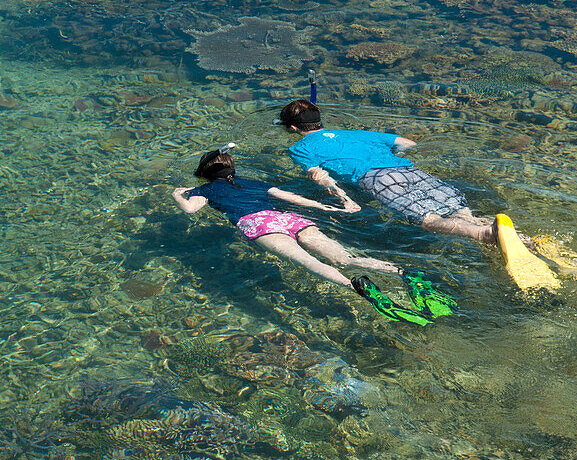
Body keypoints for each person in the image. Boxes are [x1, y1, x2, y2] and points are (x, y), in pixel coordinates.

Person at [172, 145, 455, 323]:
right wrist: (333, 206)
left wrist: (178, 196)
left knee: (311, 264)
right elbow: (293, 198)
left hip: (259, 225)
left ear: (205, 174)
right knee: (344, 257)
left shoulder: (204, 190)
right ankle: (402, 272)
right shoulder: (254, 183)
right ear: (233, 168)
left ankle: (357, 288)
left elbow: (190, 211)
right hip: (287, 218)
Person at [278, 99, 498, 243]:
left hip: (378, 179)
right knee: (455, 209)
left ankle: (482, 233)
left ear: (293, 128)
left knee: (427, 220)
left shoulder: (300, 148)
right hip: (409, 170)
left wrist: (345, 200)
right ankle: (495, 231)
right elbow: (407, 143)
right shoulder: (355, 133)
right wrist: (392, 159)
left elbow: (319, 176)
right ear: (319, 122)